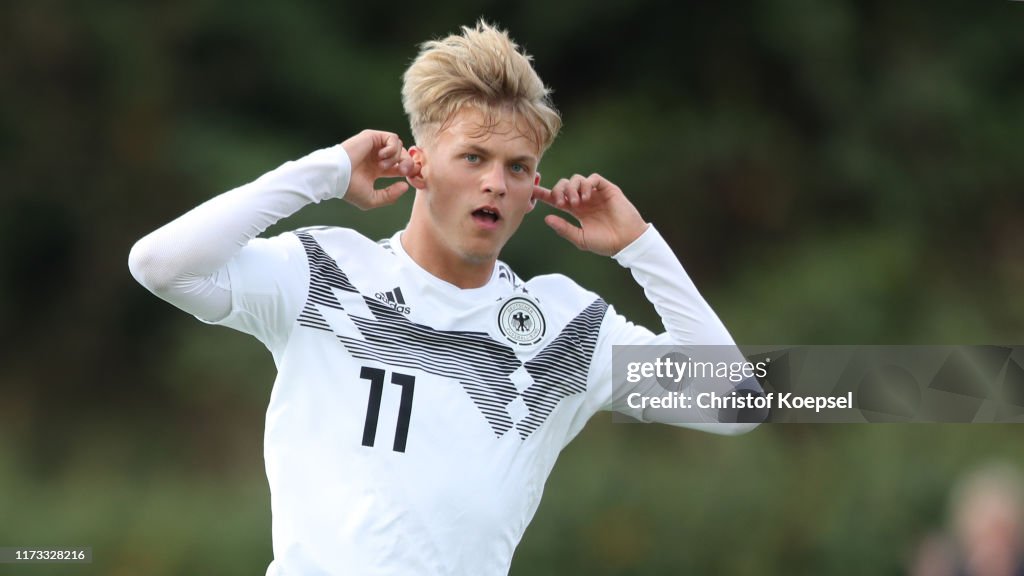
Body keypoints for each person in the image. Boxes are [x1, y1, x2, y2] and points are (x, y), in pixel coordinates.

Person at [128, 20, 757, 576]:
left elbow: (737, 401)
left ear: (534, 184)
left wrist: (639, 245)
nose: (495, 182)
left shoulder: (565, 328)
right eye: (474, 157)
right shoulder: (324, 273)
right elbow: (160, 263)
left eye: (517, 167)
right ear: (418, 165)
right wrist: (324, 173)